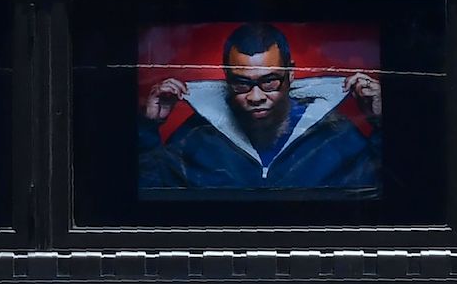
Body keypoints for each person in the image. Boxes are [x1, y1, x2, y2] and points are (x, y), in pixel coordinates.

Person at [138, 22, 381, 192]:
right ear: (226, 77)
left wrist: (381, 122)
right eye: (241, 83)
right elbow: (147, 192)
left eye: (269, 82)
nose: (256, 97)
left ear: (292, 74)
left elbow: (389, 190)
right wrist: (149, 127)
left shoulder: (335, 134)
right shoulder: (197, 137)